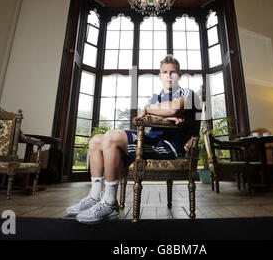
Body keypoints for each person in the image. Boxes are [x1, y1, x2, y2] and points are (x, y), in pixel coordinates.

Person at [66, 55, 197, 224]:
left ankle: (109, 204)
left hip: (168, 147)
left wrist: (151, 109)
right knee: (96, 140)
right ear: (160, 75)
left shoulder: (187, 93)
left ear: (179, 74)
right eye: (165, 72)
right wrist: (160, 113)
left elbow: (174, 109)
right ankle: (95, 196)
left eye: (173, 72)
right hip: (151, 140)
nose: (169, 76)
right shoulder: (156, 97)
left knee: (112, 137)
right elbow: (137, 119)